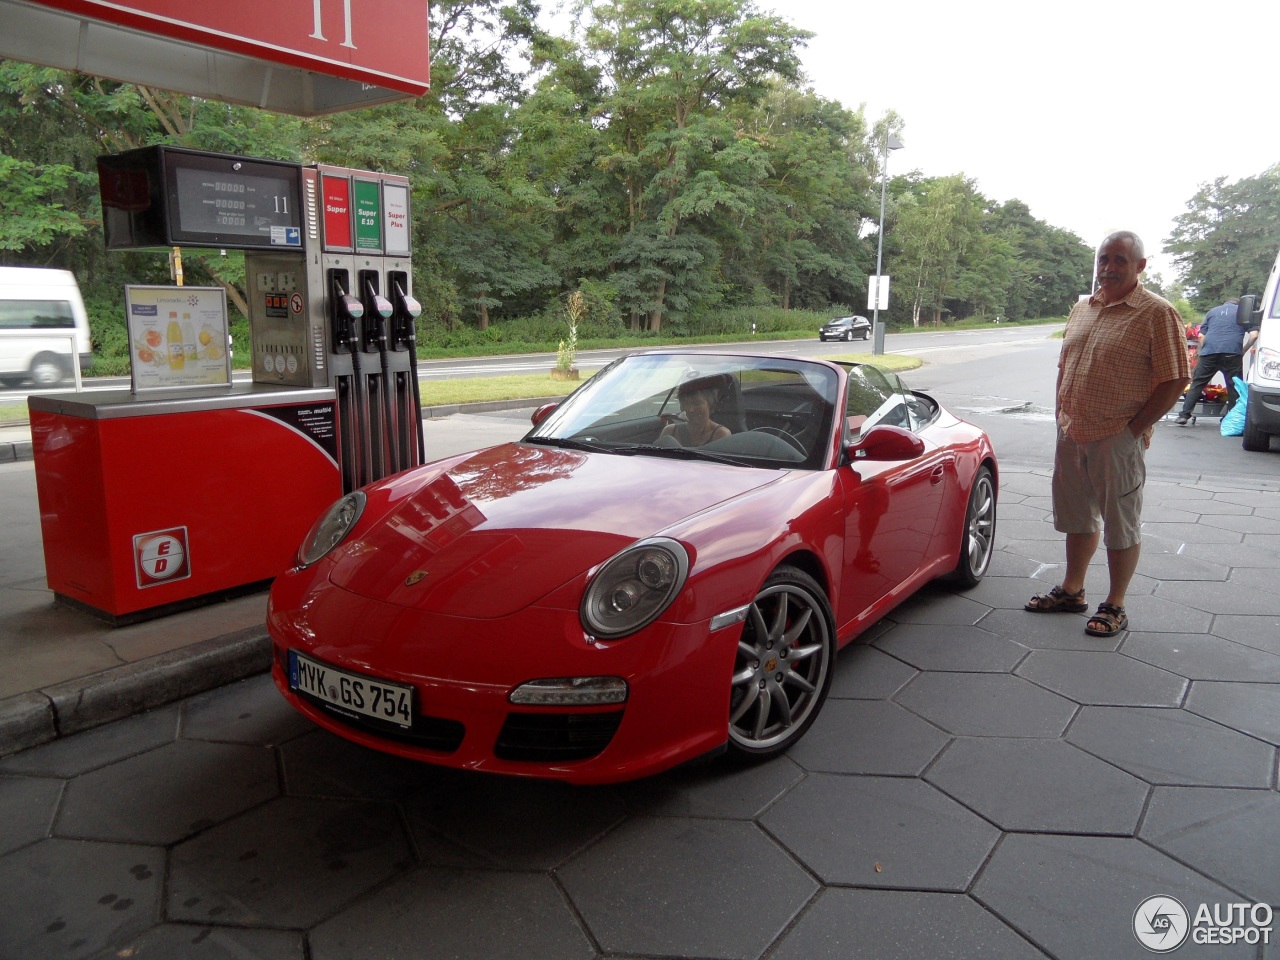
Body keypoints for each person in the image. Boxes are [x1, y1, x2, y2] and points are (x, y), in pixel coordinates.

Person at [1024, 231, 1190, 637]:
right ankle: (1072, 590)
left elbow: (1175, 379)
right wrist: (1060, 412)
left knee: (1121, 521)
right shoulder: (1083, 308)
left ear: (1140, 266)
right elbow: (1065, 366)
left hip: (1117, 436)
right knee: (1078, 517)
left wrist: (1134, 430)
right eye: (1103, 259)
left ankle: (1115, 604)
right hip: (1072, 431)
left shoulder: (1156, 313)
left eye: (1119, 259)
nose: (1109, 267)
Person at [1175, 298, 1243, 424]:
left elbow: (1201, 335)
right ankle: (1231, 419)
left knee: (1198, 383)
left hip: (1209, 352)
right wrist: (1243, 350)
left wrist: (1205, 349)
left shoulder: (1213, 311)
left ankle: (1184, 415)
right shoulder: (1242, 312)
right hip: (1232, 352)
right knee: (1234, 386)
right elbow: (1254, 334)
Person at [660, 379, 732, 447]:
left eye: (697, 403)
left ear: (710, 405)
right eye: (686, 403)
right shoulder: (670, 432)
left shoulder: (721, 435)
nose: (690, 409)